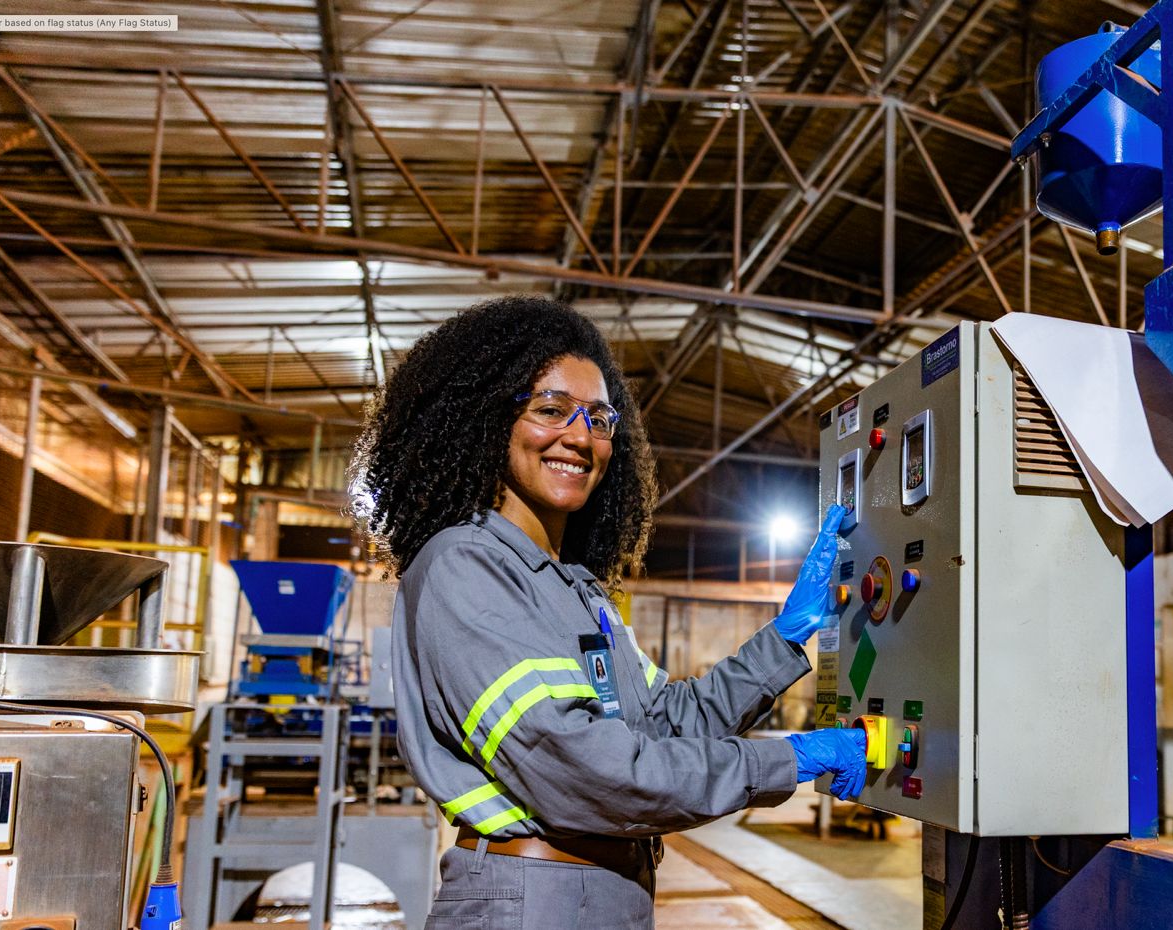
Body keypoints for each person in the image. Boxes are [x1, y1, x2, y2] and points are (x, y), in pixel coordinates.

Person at [351, 296, 868, 930]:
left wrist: (787, 636)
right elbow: (587, 768)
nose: (578, 436)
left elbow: (666, 721)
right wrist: (789, 759)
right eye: (549, 410)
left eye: (599, 419)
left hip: (600, 895)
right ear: (491, 420)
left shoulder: (574, 588)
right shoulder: (465, 566)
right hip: (533, 901)